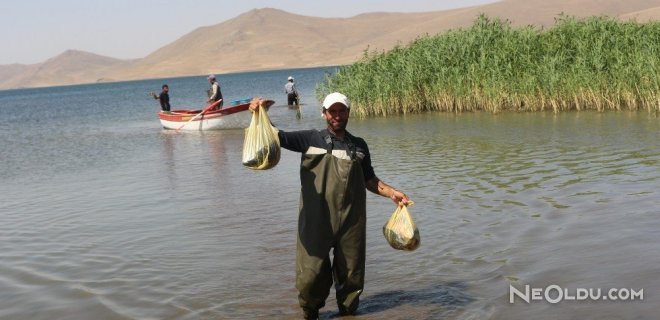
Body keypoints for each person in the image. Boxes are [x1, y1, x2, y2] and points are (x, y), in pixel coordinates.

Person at [249, 93, 410, 319]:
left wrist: (393, 193)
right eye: (332, 111)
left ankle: (348, 313)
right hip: (316, 221)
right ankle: (310, 313)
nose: (337, 116)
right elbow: (277, 137)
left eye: (341, 111)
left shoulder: (359, 145)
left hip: (351, 223)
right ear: (324, 114)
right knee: (310, 276)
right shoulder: (310, 139)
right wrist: (261, 113)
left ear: (348, 113)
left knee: (352, 276)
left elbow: (369, 180)